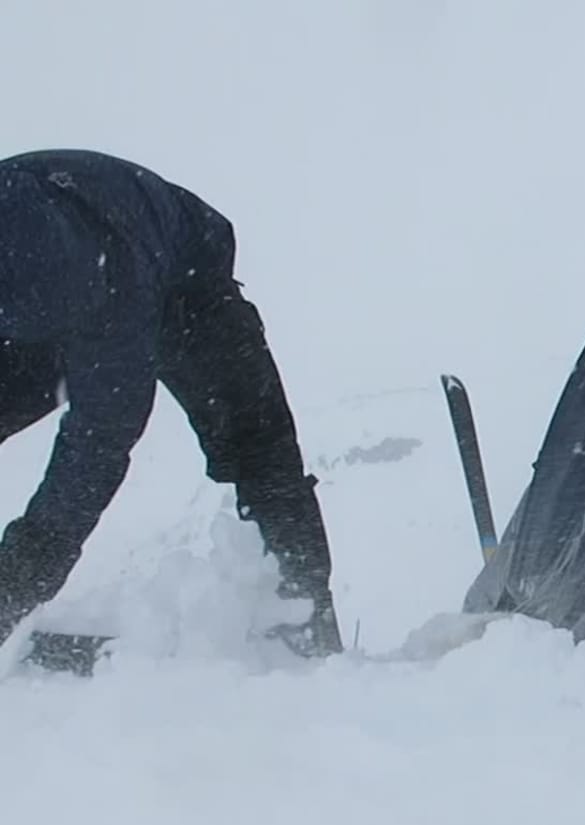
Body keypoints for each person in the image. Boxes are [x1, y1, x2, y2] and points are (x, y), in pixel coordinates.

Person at [0, 149, 340, 656]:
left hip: (184, 287)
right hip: (56, 286)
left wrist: (22, 575)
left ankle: (302, 619)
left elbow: (98, 443)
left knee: (256, 444)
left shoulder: (105, 295)